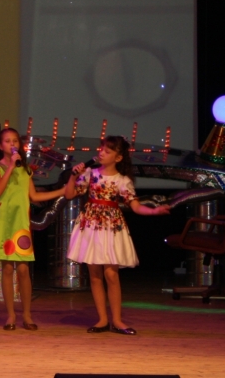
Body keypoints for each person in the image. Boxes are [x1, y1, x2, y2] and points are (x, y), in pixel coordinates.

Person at [65, 135, 170, 335]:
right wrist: (72, 176)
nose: (101, 153)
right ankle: (102, 319)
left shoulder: (122, 180)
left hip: (111, 226)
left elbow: (136, 206)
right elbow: (69, 194)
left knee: (111, 274)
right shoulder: (90, 173)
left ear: (118, 157)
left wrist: (154, 211)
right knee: (94, 274)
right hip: (91, 225)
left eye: (107, 151)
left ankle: (117, 320)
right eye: (101, 149)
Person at [0, 127, 63, 330]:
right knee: (7, 269)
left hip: (20, 223)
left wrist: (62, 191)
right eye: (7, 141)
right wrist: (11, 166)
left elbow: (34, 196)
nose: (12, 144)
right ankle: (10, 315)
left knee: (24, 269)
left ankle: (27, 314)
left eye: (15, 141)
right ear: (0, 145)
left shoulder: (26, 170)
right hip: (4, 221)